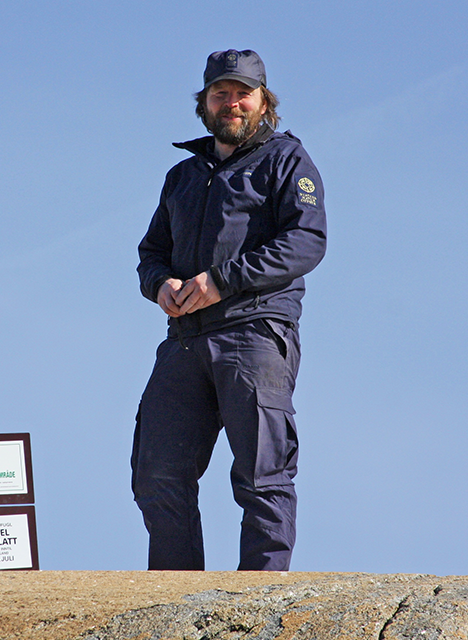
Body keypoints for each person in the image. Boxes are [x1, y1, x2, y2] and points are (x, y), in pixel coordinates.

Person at [131, 49, 327, 571]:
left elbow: (306, 243)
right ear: (205, 103)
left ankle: (258, 605)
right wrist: (160, 285)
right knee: (157, 473)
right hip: (185, 342)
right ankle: (173, 600)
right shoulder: (183, 176)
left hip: (256, 334)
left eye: (244, 93)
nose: (232, 102)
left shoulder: (287, 160)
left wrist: (222, 281)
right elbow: (150, 253)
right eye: (221, 93)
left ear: (264, 102)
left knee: (263, 474)